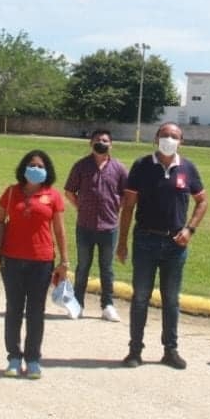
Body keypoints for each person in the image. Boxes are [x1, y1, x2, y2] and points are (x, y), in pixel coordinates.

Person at [116, 122, 207, 370]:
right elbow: (129, 206)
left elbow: (202, 201)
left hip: (175, 244)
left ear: (182, 141)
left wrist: (190, 229)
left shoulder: (187, 168)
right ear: (156, 138)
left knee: (171, 299)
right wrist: (122, 241)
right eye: (164, 135)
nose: (169, 139)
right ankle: (135, 350)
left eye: (174, 136)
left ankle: (170, 350)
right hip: (145, 240)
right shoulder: (142, 166)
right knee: (140, 298)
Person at [0, 150, 69, 379]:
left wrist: (65, 260)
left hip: (41, 261)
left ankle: (33, 358)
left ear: (47, 171)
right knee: (13, 309)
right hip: (11, 259)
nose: (35, 169)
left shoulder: (53, 196)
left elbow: (60, 230)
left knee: (35, 312)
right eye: (31, 165)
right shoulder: (11, 192)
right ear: (23, 168)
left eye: (40, 165)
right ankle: (13, 357)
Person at [64, 129, 127, 321]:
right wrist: (80, 207)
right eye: (98, 139)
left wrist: (116, 208)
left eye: (105, 140)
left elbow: (126, 194)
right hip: (85, 226)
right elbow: (69, 191)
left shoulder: (119, 168)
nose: (102, 142)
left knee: (107, 268)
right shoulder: (81, 166)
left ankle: (107, 305)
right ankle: (78, 304)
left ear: (111, 144)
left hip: (109, 227)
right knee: (83, 266)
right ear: (90, 143)